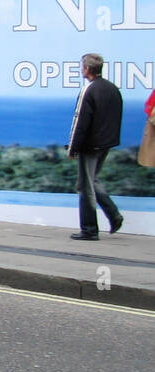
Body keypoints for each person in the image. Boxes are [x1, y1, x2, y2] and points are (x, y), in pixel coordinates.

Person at [67, 53, 124, 240]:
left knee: (85, 186)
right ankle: (114, 215)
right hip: (106, 143)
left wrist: (73, 147)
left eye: (82, 66)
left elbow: (80, 122)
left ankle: (90, 229)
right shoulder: (112, 89)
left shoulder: (88, 90)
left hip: (90, 145)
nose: (81, 69)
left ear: (87, 69)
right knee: (93, 180)